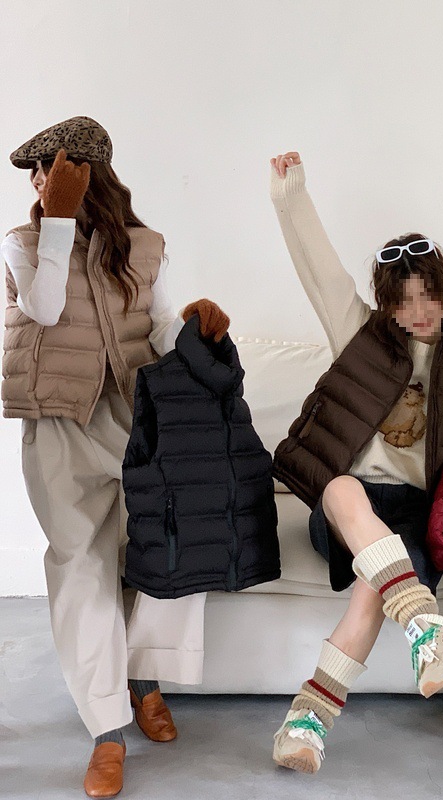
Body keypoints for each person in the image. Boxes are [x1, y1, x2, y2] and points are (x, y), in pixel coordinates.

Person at [268, 151, 443, 773]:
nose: (419, 311)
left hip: (412, 516)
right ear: (386, 306)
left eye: (429, 296)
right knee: (341, 486)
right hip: (349, 508)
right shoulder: (362, 336)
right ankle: (425, 622)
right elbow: (321, 273)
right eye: (403, 301)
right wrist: (290, 197)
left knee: (369, 594)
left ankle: (306, 724)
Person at [3, 117, 225, 797]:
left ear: (86, 173)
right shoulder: (22, 244)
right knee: (82, 568)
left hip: (137, 417)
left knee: (168, 543)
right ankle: (106, 732)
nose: (38, 181)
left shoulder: (145, 245)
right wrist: (58, 221)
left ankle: (144, 680)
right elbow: (44, 309)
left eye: (49, 168)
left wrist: (194, 327)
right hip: (58, 424)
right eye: (34, 172)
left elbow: (155, 325)